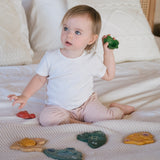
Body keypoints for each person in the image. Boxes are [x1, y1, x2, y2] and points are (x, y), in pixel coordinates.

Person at [8, 5, 135, 126]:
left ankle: (118, 109)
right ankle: (77, 122)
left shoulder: (90, 59)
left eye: (77, 32)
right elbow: (40, 78)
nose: (69, 35)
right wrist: (25, 96)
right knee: (46, 119)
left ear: (91, 39)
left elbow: (108, 75)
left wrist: (108, 52)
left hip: (86, 104)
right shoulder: (51, 57)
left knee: (108, 118)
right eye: (66, 28)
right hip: (58, 106)